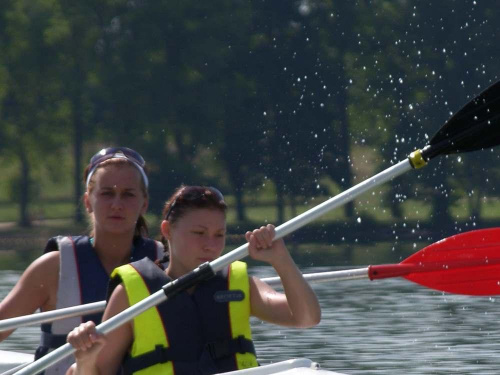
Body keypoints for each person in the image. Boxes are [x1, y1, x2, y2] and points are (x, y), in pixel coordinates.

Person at [66, 185, 321, 375]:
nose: (210, 246)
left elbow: (307, 318)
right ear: (167, 231)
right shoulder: (133, 292)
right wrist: (86, 359)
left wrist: (281, 260)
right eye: (199, 233)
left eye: (219, 234)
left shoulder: (238, 283)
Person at [0, 147, 164, 374]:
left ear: (144, 204)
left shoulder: (164, 264)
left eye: (128, 194)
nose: (117, 204)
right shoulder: (52, 268)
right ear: (88, 201)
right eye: (107, 193)